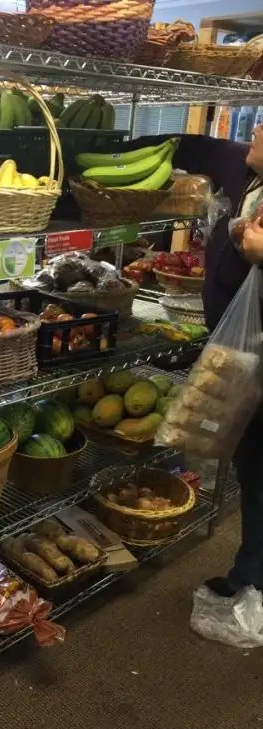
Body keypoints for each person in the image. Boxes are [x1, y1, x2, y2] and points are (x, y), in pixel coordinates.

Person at [141, 125, 263, 597]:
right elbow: (183, 145)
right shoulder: (240, 165)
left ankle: (253, 583)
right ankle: (251, 574)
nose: (256, 128)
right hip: (238, 350)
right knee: (251, 462)